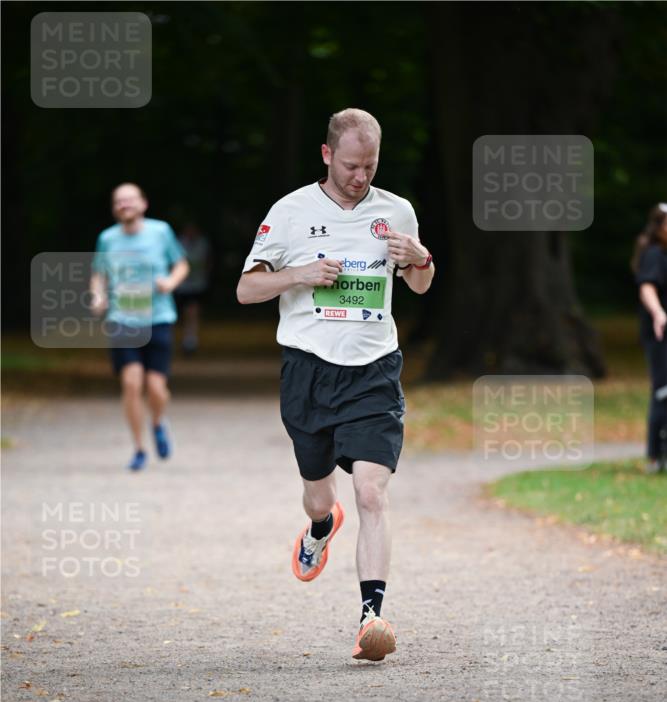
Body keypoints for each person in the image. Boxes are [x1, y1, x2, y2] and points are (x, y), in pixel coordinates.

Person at [236, 108, 434, 661]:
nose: (360, 177)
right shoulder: (292, 212)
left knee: (371, 491)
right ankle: (322, 524)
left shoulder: (396, 211)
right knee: (320, 493)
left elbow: (420, 284)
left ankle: (373, 617)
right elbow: (245, 291)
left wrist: (419, 258)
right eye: (351, 165)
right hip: (309, 371)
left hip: (373, 371)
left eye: (370, 166)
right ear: (327, 155)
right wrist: (299, 275)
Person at [90, 183, 189, 470]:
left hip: (158, 317)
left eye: (130, 200)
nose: (124, 205)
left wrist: (170, 283)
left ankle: (158, 421)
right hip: (123, 319)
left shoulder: (160, 231)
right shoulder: (107, 239)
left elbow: (181, 264)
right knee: (131, 384)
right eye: (119, 201)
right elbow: (99, 274)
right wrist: (97, 295)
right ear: (114, 208)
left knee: (156, 389)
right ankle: (138, 449)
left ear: (143, 204)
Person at [631, 203, 667, 473]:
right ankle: (655, 455)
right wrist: (658, 314)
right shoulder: (654, 253)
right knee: (662, 391)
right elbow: (647, 287)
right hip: (660, 333)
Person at [175, 222, 212, 355]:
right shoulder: (178, 242)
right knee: (185, 314)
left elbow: (208, 261)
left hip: (197, 284)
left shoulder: (202, 243)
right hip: (181, 285)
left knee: (193, 312)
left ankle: (190, 341)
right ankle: (186, 339)